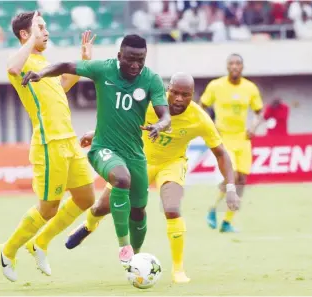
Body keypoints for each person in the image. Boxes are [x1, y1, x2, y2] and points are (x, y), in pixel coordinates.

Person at [65, 72, 240, 283]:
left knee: (172, 208)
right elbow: (120, 121)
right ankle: (89, 226)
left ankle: (178, 270)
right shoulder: (149, 105)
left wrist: (230, 188)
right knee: (101, 208)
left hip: (172, 164)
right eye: (174, 92)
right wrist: (95, 133)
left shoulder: (199, 118)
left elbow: (221, 153)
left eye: (185, 95)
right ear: (168, 90)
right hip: (140, 160)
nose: (178, 99)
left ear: (192, 95)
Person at [21, 34, 171, 267]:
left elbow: (165, 115)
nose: (135, 64)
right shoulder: (103, 69)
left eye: (140, 59)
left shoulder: (151, 79)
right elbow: (66, 66)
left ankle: (136, 258)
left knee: (139, 210)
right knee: (121, 179)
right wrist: (42, 73)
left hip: (135, 154)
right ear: (119, 55)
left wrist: (159, 126)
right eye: (130, 58)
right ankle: (124, 246)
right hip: (103, 148)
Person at [0, 11, 96, 282]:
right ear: (25, 35)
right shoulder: (23, 63)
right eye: (40, 27)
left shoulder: (42, 62)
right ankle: (7, 250)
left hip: (69, 142)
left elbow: (61, 87)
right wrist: (31, 39)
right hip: (49, 145)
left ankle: (40, 243)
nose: (46, 31)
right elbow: (12, 68)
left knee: (86, 198)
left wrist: (84, 63)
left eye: (46, 27)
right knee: (48, 208)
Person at [200, 53, 264, 232]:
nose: (235, 66)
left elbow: (259, 112)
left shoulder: (250, 88)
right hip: (224, 139)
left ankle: (227, 222)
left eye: (238, 64)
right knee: (232, 177)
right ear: (227, 66)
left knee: (242, 180)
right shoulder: (216, 86)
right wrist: (211, 126)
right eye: (231, 63)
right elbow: (201, 106)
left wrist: (253, 127)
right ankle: (213, 209)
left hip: (242, 139)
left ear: (242, 67)